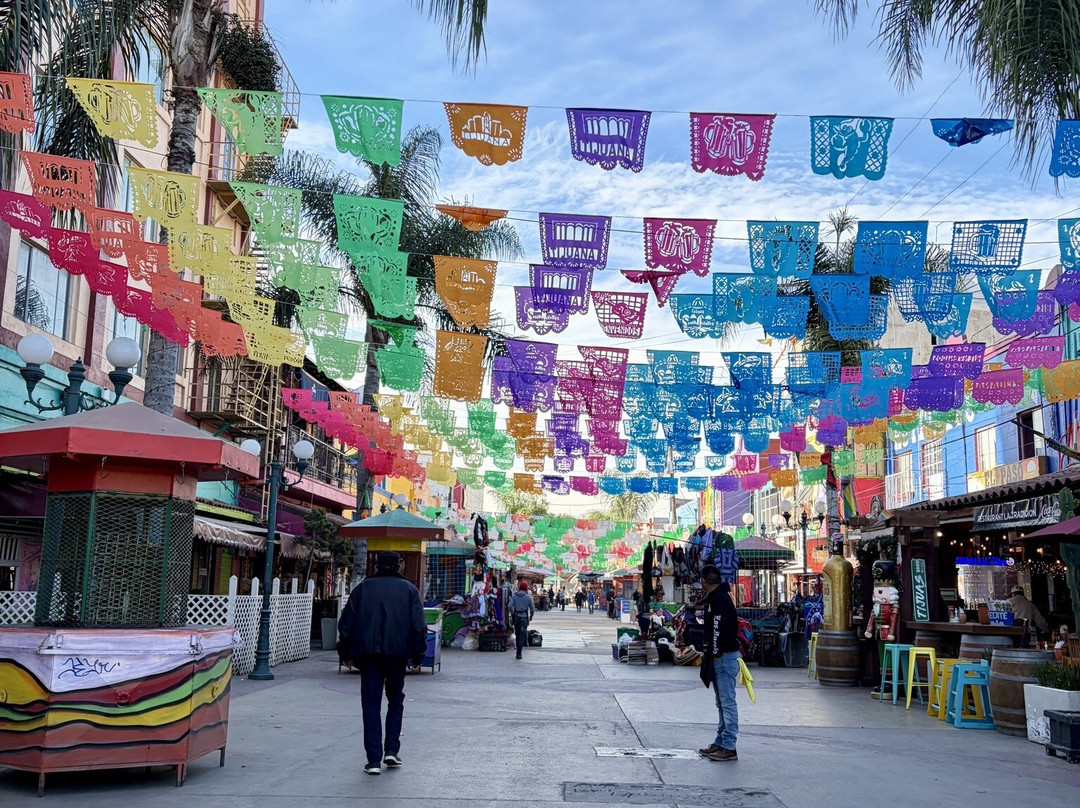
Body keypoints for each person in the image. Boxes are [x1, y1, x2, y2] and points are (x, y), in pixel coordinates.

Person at [338, 551, 427, 776]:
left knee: (371, 704)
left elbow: (346, 624)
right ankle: (392, 750)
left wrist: (345, 653)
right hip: (397, 655)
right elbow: (418, 626)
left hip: (368, 656)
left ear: (376, 565)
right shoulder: (409, 591)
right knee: (395, 700)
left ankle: (373, 759)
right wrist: (418, 655)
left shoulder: (362, 589)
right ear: (399, 565)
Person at [698, 565, 740, 762]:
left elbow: (717, 628)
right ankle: (721, 741)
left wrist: (714, 652)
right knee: (721, 702)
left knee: (727, 702)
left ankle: (729, 745)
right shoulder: (716, 598)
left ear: (704, 581)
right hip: (720, 656)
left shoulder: (719, 600)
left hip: (723, 657)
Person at [509, 580, 535, 659]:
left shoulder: (514, 596)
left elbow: (510, 606)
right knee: (522, 635)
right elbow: (532, 609)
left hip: (516, 617)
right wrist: (531, 616)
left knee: (517, 634)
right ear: (526, 589)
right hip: (524, 617)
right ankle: (519, 653)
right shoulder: (528, 597)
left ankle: (518, 651)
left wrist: (513, 612)